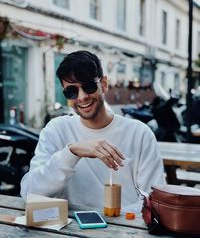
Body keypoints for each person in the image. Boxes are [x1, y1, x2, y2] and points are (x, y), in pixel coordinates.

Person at [20, 50, 165, 211]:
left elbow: (154, 199)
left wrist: (109, 221)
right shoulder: (56, 129)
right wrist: (71, 152)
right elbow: (29, 193)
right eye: (71, 91)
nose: (81, 97)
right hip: (70, 231)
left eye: (88, 86)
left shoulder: (139, 134)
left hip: (124, 231)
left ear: (103, 84)